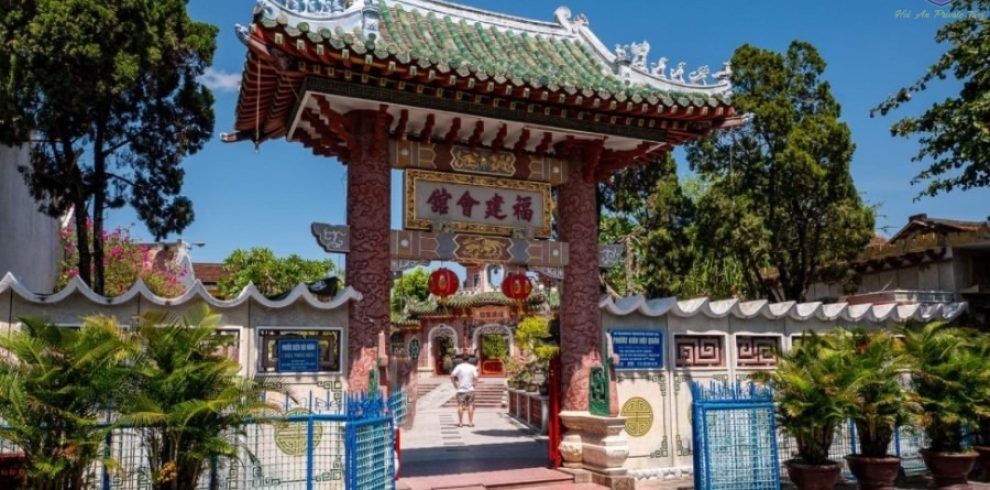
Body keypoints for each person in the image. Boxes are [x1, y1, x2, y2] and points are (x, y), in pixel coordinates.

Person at [450, 354, 479, 427]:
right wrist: (474, 385)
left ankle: (460, 422)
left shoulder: (459, 367)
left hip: (461, 389)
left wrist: (455, 384)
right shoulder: (472, 367)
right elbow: (476, 377)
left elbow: (452, 376)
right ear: (469, 359)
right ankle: (470, 422)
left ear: (461, 359)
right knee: (471, 405)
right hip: (470, 389)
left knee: (460, 405)